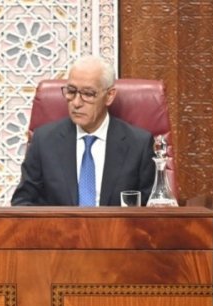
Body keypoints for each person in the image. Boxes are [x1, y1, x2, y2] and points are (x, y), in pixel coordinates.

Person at [11, 55, 155, 207]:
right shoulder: (44, 141)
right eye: (71, 91)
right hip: (58, 230)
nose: (76, 103)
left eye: (88, 94)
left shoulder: (138, 145)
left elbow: (151, 210)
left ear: (109, 96)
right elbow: (22, 203)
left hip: (116, 230)